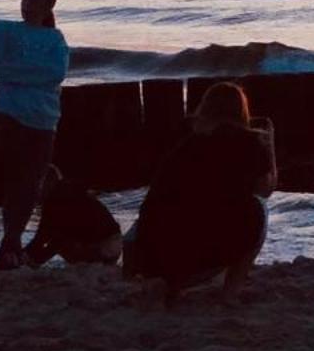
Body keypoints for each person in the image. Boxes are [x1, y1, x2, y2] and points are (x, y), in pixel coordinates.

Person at [124, 81, 275, 300]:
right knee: (259, 207)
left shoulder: (184, 145)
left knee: (164, 212)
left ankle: (164, 282)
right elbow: (266, 189)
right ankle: (230, 291)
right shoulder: (248, 143)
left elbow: (152, 205)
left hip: (155, 258)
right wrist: (270, 146)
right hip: (206, 257)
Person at [0, 0, 70, 271]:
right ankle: (10, 245)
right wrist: (17, 72)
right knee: (17, 182)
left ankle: (10, 245)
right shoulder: (2, 30)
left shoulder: (55, 39)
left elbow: (54, 74)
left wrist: (9, 71)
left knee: (31, 183)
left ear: (48, 7)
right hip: (9, 115)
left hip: (44, 119)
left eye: (35, 0)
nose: (27, 4)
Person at [23, 166, 123, 266]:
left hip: (103, 244)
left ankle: (90, 267)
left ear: (47, 182)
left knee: (61, 242)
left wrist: (33, 260)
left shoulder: (57, 201)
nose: (36, 189)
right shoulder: (66, 193)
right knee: (58, 240)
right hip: (114, 243)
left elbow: (50, 238)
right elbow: (43, 236)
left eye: (37, 184)